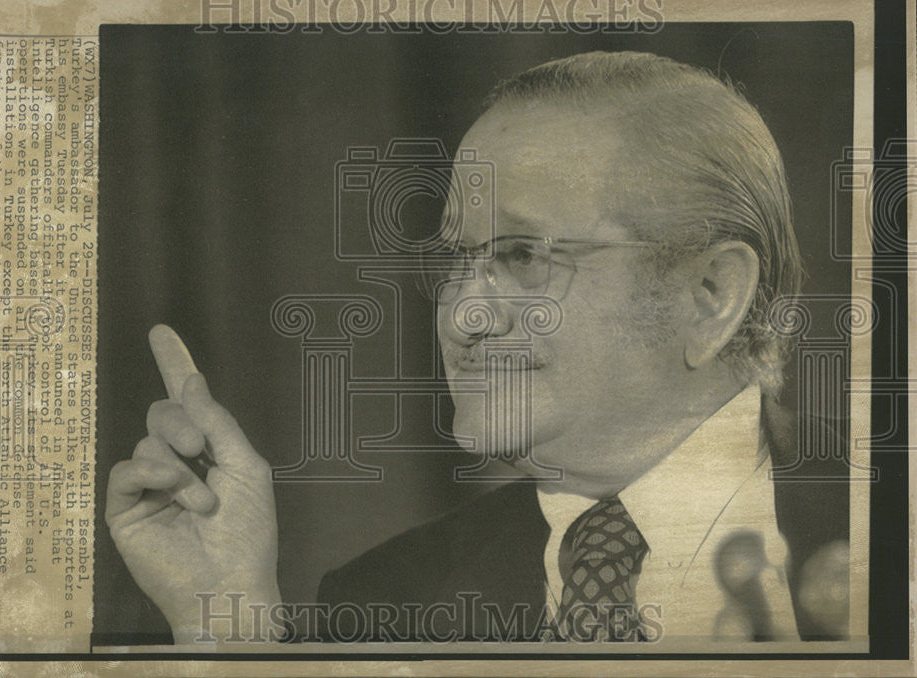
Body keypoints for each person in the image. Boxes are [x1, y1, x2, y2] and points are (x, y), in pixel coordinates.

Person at [105, 51, 849, 646]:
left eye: (523, 256)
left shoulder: (885, 544)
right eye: (457, 261)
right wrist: (231, 631)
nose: (463, 314)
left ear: (710, 294)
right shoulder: (383, 602)